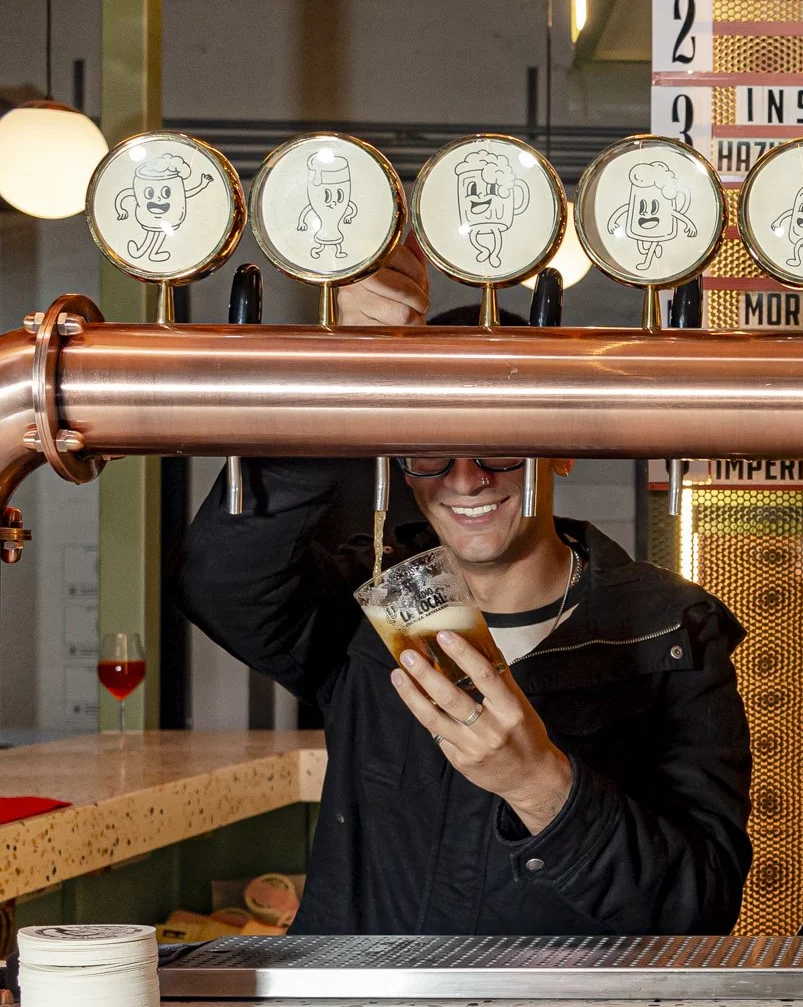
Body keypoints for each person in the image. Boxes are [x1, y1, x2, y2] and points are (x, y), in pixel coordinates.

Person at [181, 234, 753, 935]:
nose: (465, 478)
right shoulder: (375, 601)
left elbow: (701, 905)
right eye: (430, 449)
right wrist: (347, 369)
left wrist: (539, 784)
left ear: (563, 450)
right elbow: (220, 578)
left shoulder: (668, 629)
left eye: (500, 443)